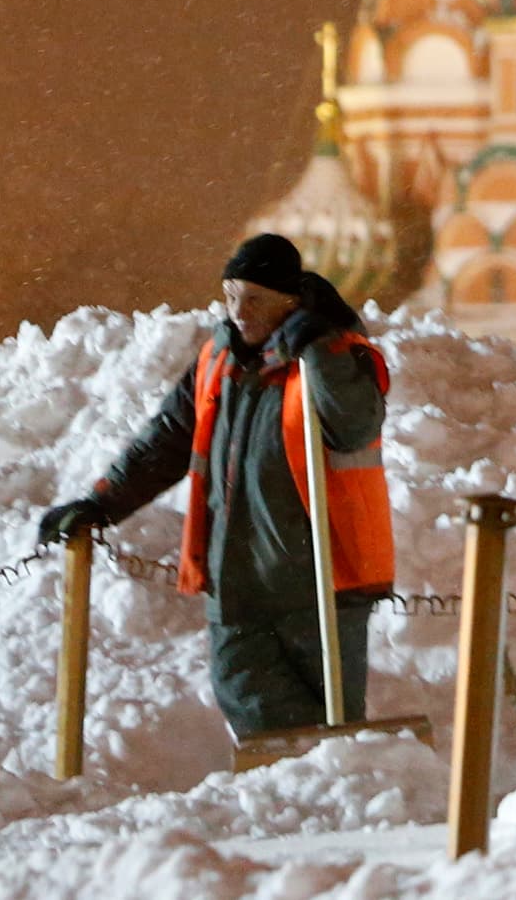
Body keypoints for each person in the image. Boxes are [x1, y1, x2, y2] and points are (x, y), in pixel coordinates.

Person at [37, 235, 395, 738]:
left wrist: (320, 355)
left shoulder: (341, 354)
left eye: (255, 299)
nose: (239, 311)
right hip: (237, 580)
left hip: (319, 579)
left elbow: (354, 425)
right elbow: (163, 443)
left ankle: (327, 802)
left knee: (329, 713)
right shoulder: (217, 361)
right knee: (247, 696)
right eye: (230, 295)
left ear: (291, 301)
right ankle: (288, 797)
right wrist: (101, 504)